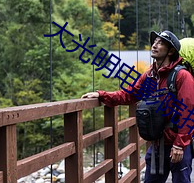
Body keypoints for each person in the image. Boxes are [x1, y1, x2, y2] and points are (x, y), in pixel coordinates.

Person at [81, 30, 194, 183]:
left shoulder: (182, 76)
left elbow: (188, 112)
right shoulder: (149, 75)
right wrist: (102, 95)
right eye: (154, 42)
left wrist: (180, 145)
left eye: (160, 43)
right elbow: (129, 95)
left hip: (177, 144)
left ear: (171, 51)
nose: (154, 45)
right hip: (157, 143)